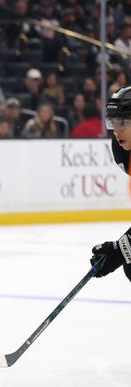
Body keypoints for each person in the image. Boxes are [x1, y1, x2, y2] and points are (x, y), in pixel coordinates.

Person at [91, 86, 131, 283]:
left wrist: (122, 248)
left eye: (123, 122)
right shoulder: (122, 150)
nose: (116, 131)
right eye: (113, 123)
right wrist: (121, 248)